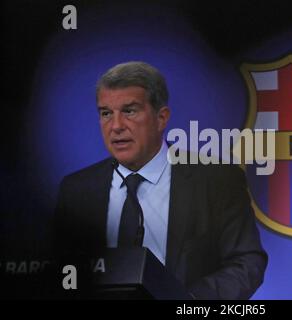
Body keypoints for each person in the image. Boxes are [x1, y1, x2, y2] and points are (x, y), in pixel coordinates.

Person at [54, 61, 267, 299]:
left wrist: (188, 302)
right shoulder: (76, 190)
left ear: (161, 118)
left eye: (129, 111)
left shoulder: (217, 180)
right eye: (106, 113)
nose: (115, 126)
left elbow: (246, 262)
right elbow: (60, 268)